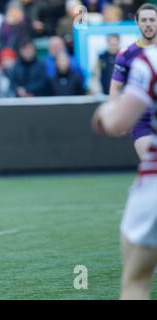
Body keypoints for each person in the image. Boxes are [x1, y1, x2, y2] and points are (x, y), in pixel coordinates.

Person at [92, 46, 157, 300]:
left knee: (136, 283)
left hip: (154, 188)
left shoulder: (149, 61)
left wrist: (102, 113)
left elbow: (119, 122)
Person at [110, 3, 157, 161]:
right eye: (144, 20)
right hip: (142, 120)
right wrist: (118, 115)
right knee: (151, 163)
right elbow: (115, 88)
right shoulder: (126, 54)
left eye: (152, 20)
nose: (148, 24)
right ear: (137, 23)